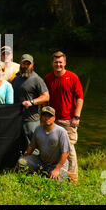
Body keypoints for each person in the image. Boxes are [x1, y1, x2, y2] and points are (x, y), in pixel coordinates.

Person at [44, 51, 84, 181]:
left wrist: (76, 117)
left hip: (69, 120)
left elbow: (80, 98)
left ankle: (73, 177)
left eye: (60, 62)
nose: (58, 64)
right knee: (55, 146)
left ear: (65, 62)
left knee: (69, 148)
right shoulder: (48, 78)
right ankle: (59, 172)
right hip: (53, 119)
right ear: (52, 63)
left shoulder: (72, 77)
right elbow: (46, 99)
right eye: (56, 62)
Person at [17, 106, 71, 181]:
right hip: (42, 161)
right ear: (41, 117)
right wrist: (24, 157)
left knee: (56, 181)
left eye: (50, 116)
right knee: (21, 162)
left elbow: (66, 153)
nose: (47, 118)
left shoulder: (61, 132)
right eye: (44, 115)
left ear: (54, 118)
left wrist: (57, 169)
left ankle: (67, 175)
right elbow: (31, 147)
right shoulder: (38, 129)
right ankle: (44, 172)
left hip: (57, 164)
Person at [11, 54, 49, 148]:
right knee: (18, 145)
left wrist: (31, 102)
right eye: (24, 63)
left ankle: (35, 162)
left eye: (28, 64)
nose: (26, 66)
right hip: (17, 118)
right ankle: (21, 162)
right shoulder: (16, 79)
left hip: (31, 119)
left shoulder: (36, 79)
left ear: (32, 65)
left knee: (33, 146)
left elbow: (46, 97)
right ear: (20, 64)